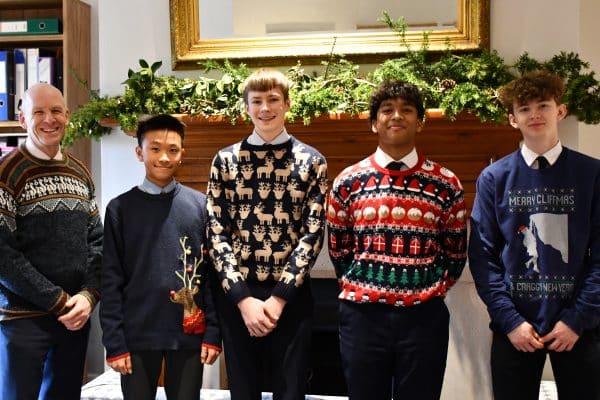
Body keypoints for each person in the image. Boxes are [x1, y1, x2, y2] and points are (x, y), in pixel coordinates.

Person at [326, 80, 467, 400]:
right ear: (374, 123)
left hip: (424, 318)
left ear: (420, 121)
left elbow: (455, 252)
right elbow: (339, 250)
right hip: (362, 316)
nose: (397, 116)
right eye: (387, 110)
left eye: (407, 109)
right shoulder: (348, 181)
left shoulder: (446, 182)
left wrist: (426, 288)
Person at [468, 71, 600, 399]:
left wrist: (577, 319)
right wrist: (510, 321)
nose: (535, 114)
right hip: (515, 327)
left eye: (543, 105)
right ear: (512, 119)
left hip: (578, 325)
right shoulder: (493, 178)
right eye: (524, 108)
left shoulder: (592, 173)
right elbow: (483, 258)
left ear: (561, 111)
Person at [206, 68, 328, 400]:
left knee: (291, 391)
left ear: (287, 104)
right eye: (257, 100)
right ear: (246, 107)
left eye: (273, 99)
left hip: (290, 298)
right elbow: (216, 232)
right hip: (238, 299)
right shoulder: (225, 161)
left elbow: (313, 234)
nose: (265, 108)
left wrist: (279, 298)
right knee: (243, 391)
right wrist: (243, 299)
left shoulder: (312, 161)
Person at [100, 114, 221, 400]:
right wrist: (114, 341)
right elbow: (110, 279)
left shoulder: (200, 207)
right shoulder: (120, 209)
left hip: (188, 333)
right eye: (155, 148)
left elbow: (212, 275)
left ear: (182, 154)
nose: (164, 157)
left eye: (172, 149)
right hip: (137, 334)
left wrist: (214, 333)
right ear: (139, 152)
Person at [0, 82, 103, 400]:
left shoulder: (80, 173)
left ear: (67, 116)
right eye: (39, 112)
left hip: (74, 318)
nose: (49, 119)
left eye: (56, 111)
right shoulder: (6, 174)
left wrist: (88, 297)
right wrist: (59, 302)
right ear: (22, 119)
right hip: (22, 321)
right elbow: (3, 256)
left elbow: (97, 242)